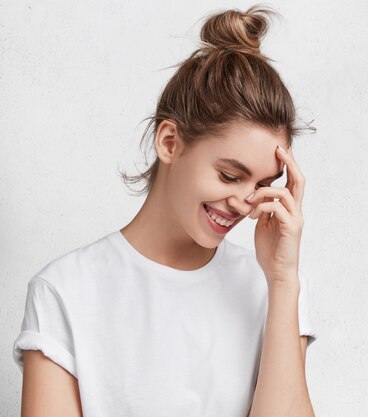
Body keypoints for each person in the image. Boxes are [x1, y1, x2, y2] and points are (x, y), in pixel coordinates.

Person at [12, 4, 318, 416]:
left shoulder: (273, 290)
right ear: (170, 142)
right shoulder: (65, 291)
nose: (246, 204)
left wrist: (282, 283)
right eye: (230, 175)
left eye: (263, 185)